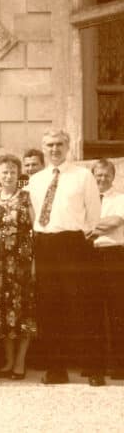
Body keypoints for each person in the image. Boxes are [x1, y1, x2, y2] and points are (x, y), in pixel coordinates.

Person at [27, 128, 101, 386]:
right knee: (49, 308)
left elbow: (93, 215)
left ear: (68, 147)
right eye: (49, 145)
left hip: (73, 244)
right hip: (45, 243)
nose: (54, 150)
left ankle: (93, 367)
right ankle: (56, 368)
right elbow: (38, 213)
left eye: (59, 144)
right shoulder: (36, 180)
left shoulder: (83, 177)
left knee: (81, 306)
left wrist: (82, 244)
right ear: (43, 148)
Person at [0, 154, 36, 380]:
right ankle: (8, 361)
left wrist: (34, 261)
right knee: (3, 311)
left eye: (12, 172)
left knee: (23, 310)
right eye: (4, 172)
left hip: (21, 263)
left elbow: (35, 229)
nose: (8, 176)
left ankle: (20, 362)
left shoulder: (26, 197)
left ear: (19, 175)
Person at [90, 158, 124, 379]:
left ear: (113, 177)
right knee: (91, 310)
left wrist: (88, 228)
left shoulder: (120, 198)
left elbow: (115, 221)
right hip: (88, 258)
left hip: (113, 255)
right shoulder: (85, 199)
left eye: (106, 175)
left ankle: (119, 365)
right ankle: (95, 365)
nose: (102, 179)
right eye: (98, 175)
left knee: (116, 310)